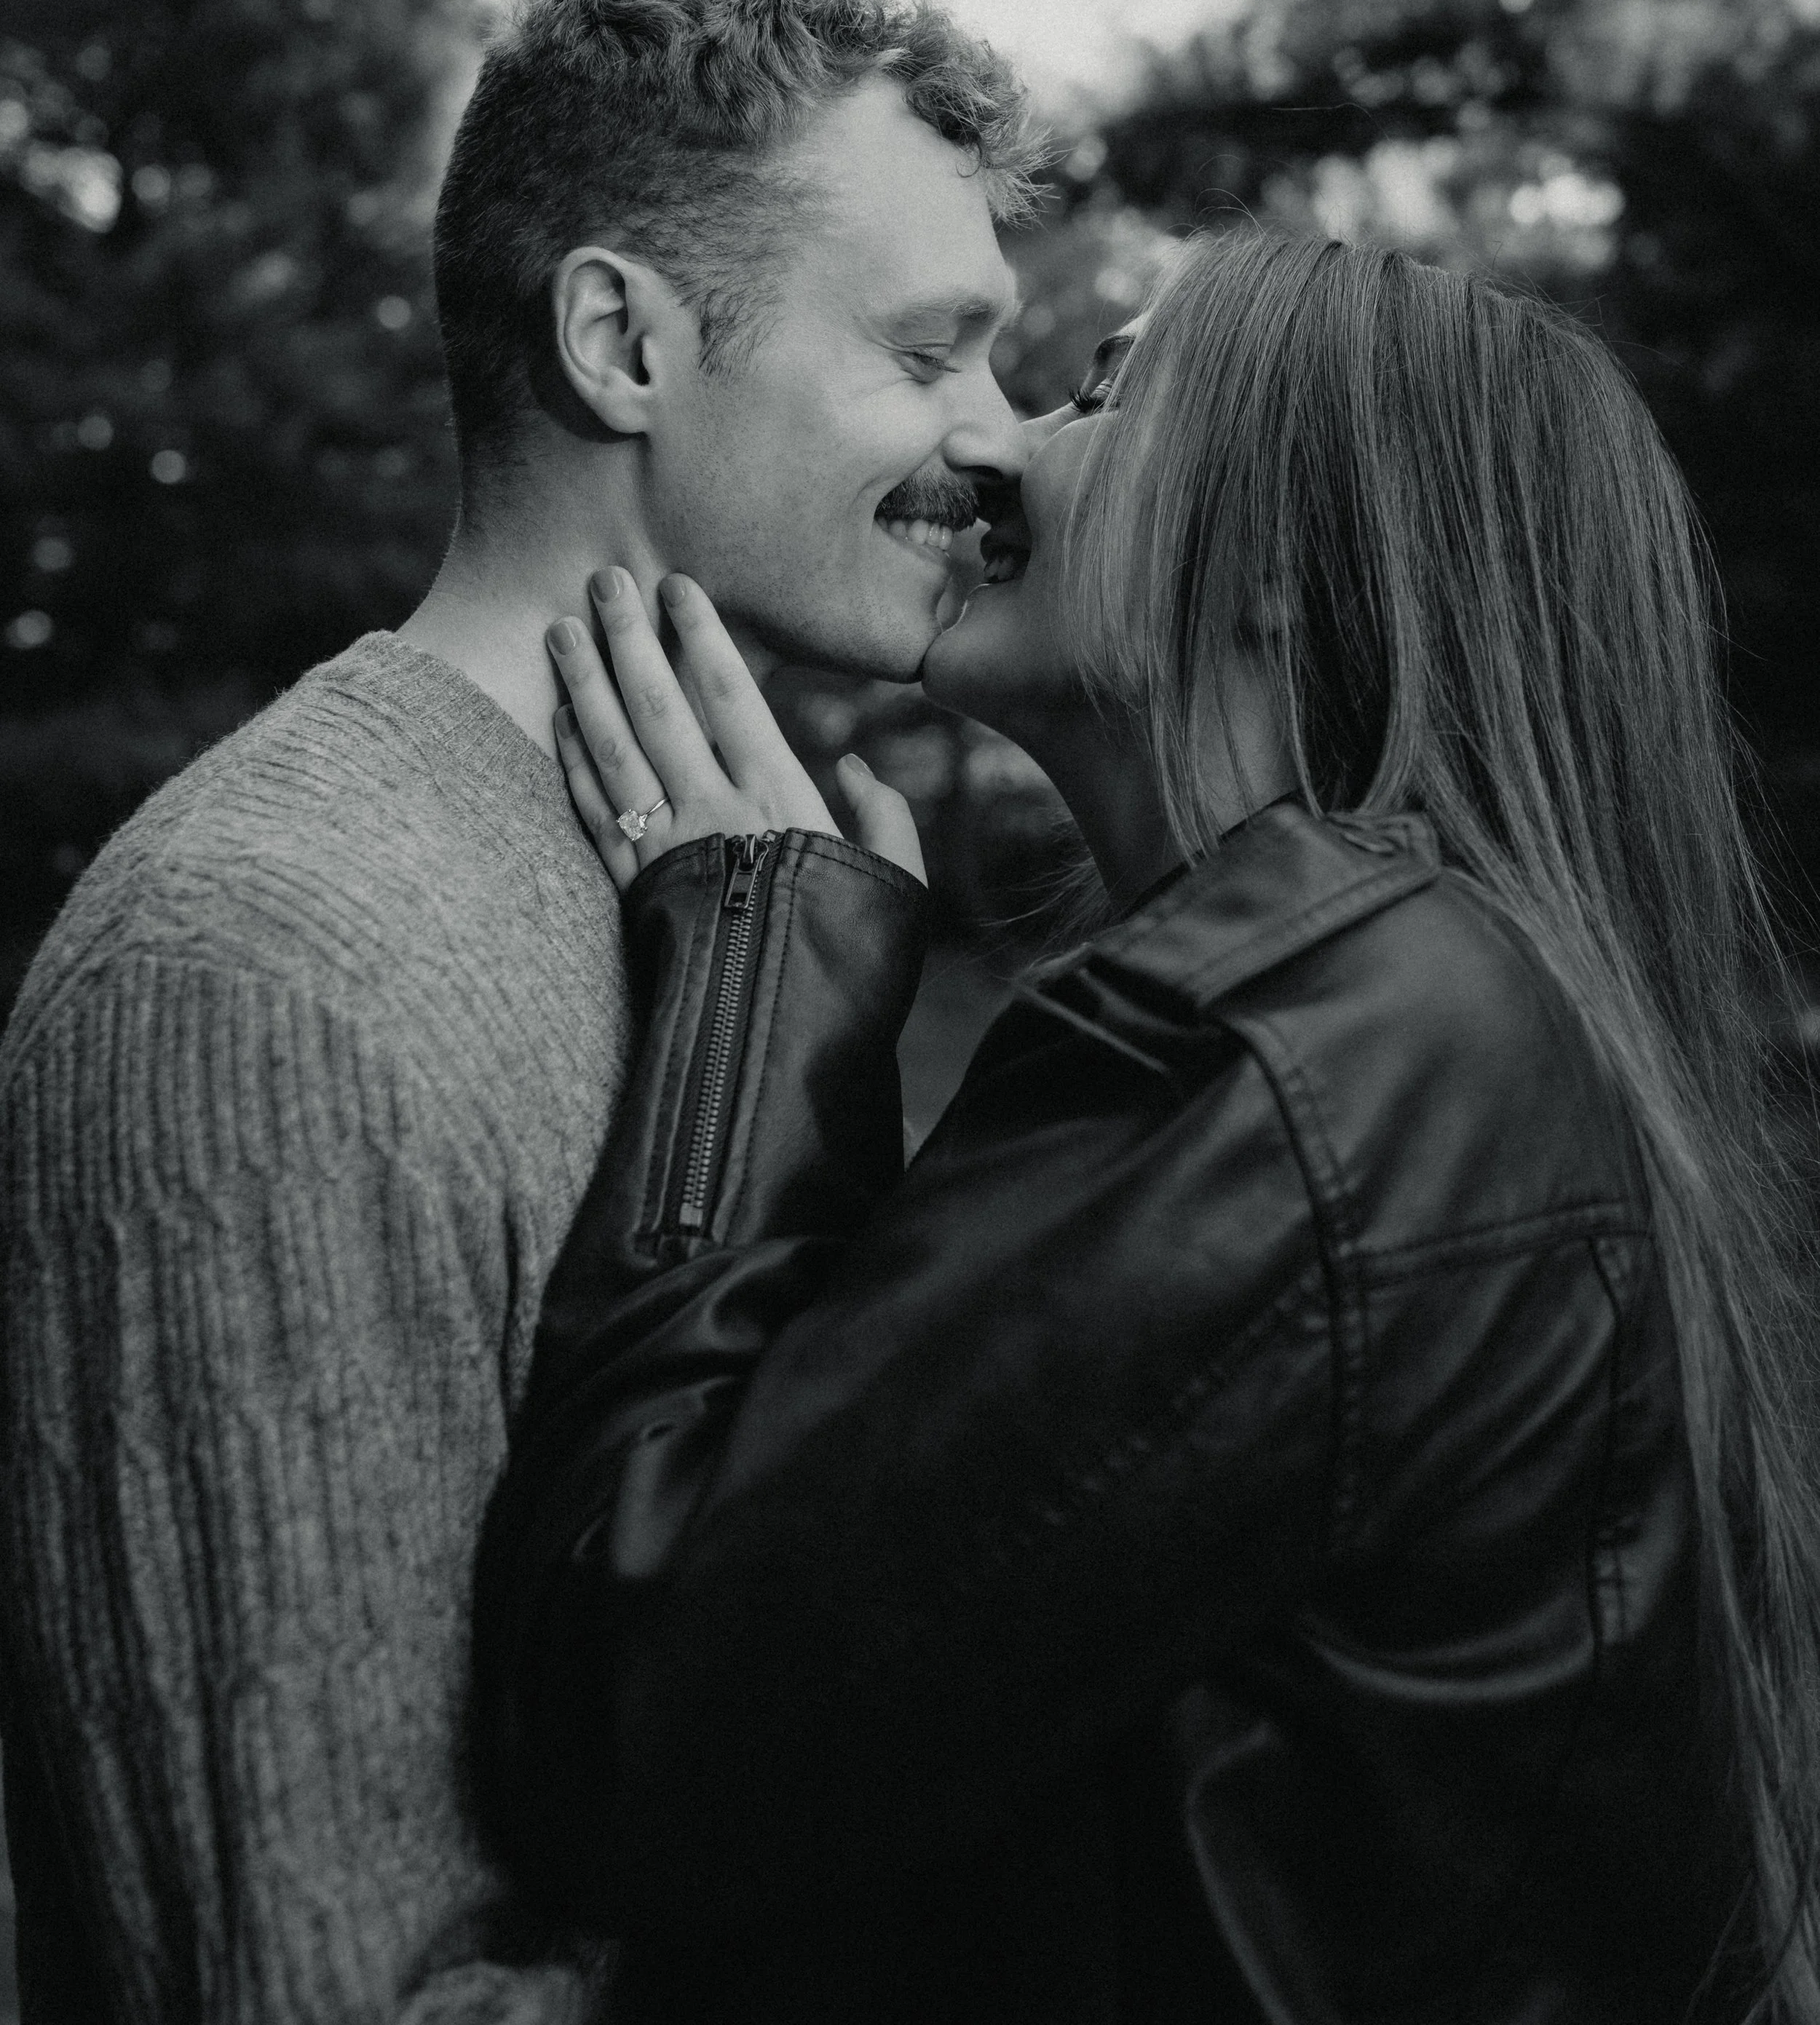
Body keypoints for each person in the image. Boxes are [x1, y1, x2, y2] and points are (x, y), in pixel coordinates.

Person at [474, 227, 1820, 2025]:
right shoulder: (1407, 1012)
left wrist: (757, 980)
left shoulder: (1307, 1047)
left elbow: (639, 1725)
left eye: (1105, 394)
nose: (994, 442)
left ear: (1266, 561)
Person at [0, 0, 1037, 2022]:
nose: (998, 441)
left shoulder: (737, 890)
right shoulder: (257, 963)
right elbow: (324, 1983)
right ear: (620, 341)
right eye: (928, 351)